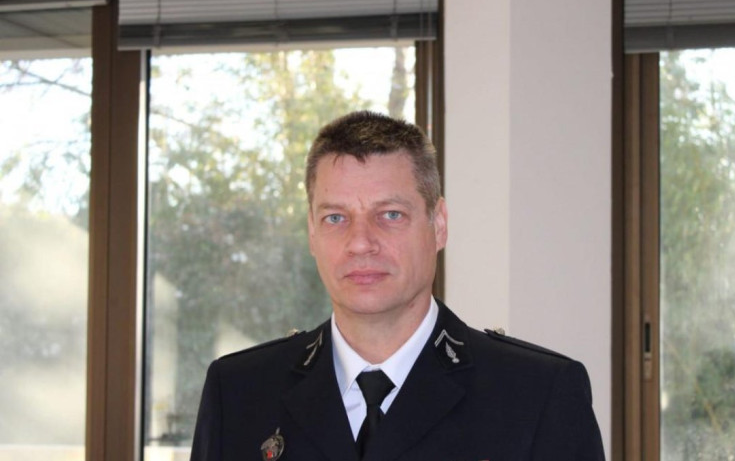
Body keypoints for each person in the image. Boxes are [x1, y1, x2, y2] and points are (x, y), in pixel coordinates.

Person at [189, 111, 605, 461]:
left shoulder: (536, 394)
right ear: (312, 234)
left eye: (390, 215)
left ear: (438, 225)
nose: (360, 243)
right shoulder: (240, 392)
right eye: (335, 218)